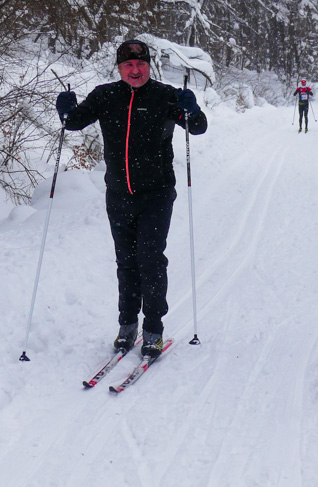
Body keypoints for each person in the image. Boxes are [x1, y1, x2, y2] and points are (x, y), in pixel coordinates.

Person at [55, 39, 208, 358]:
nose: (135, 70)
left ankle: (153, 329)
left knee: (150, 260)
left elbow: (198, 128)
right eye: (128, 65)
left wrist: (192, 109)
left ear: (149, 65)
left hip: (157, 193)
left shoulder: (165, 96)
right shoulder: (105, 95)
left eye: (140, 65)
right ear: (120, 68)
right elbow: (74, 122)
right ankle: (127, 325)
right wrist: (66, 109)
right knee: (126, 262)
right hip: (119, 195)